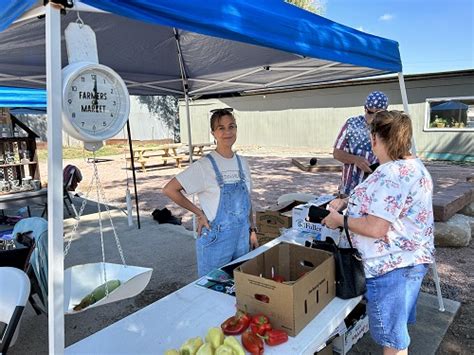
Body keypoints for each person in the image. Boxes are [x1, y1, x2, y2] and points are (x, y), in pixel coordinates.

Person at [322, 110, 434, 355]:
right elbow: (386, 204)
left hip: (391, 269)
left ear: (374, 138)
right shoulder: (413, 165)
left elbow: (376, 227)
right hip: (412, 261)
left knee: (393, 342)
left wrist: (340, 219)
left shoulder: (389, 174)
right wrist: (347, 201)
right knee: (397, 331)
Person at [163, 108, 258, 277]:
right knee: (212, 288)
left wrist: (252, 230)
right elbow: (170, 189)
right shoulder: (204, 166)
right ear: (213, 133)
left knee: (240, 288)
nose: (227, 132)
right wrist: (199, 214)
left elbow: (247, 201)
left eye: (231, 126)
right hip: (217, 240)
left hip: (242, 238)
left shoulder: (242, 163)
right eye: (221, 128)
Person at [333, 91, 389, 196]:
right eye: (370, 113)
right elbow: (336, 153)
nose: (373, 118)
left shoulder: (388, 128)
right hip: (349, 190)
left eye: (378, 114)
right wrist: (355, 160)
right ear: (365, 108)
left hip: (376, 192)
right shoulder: (351, 124)